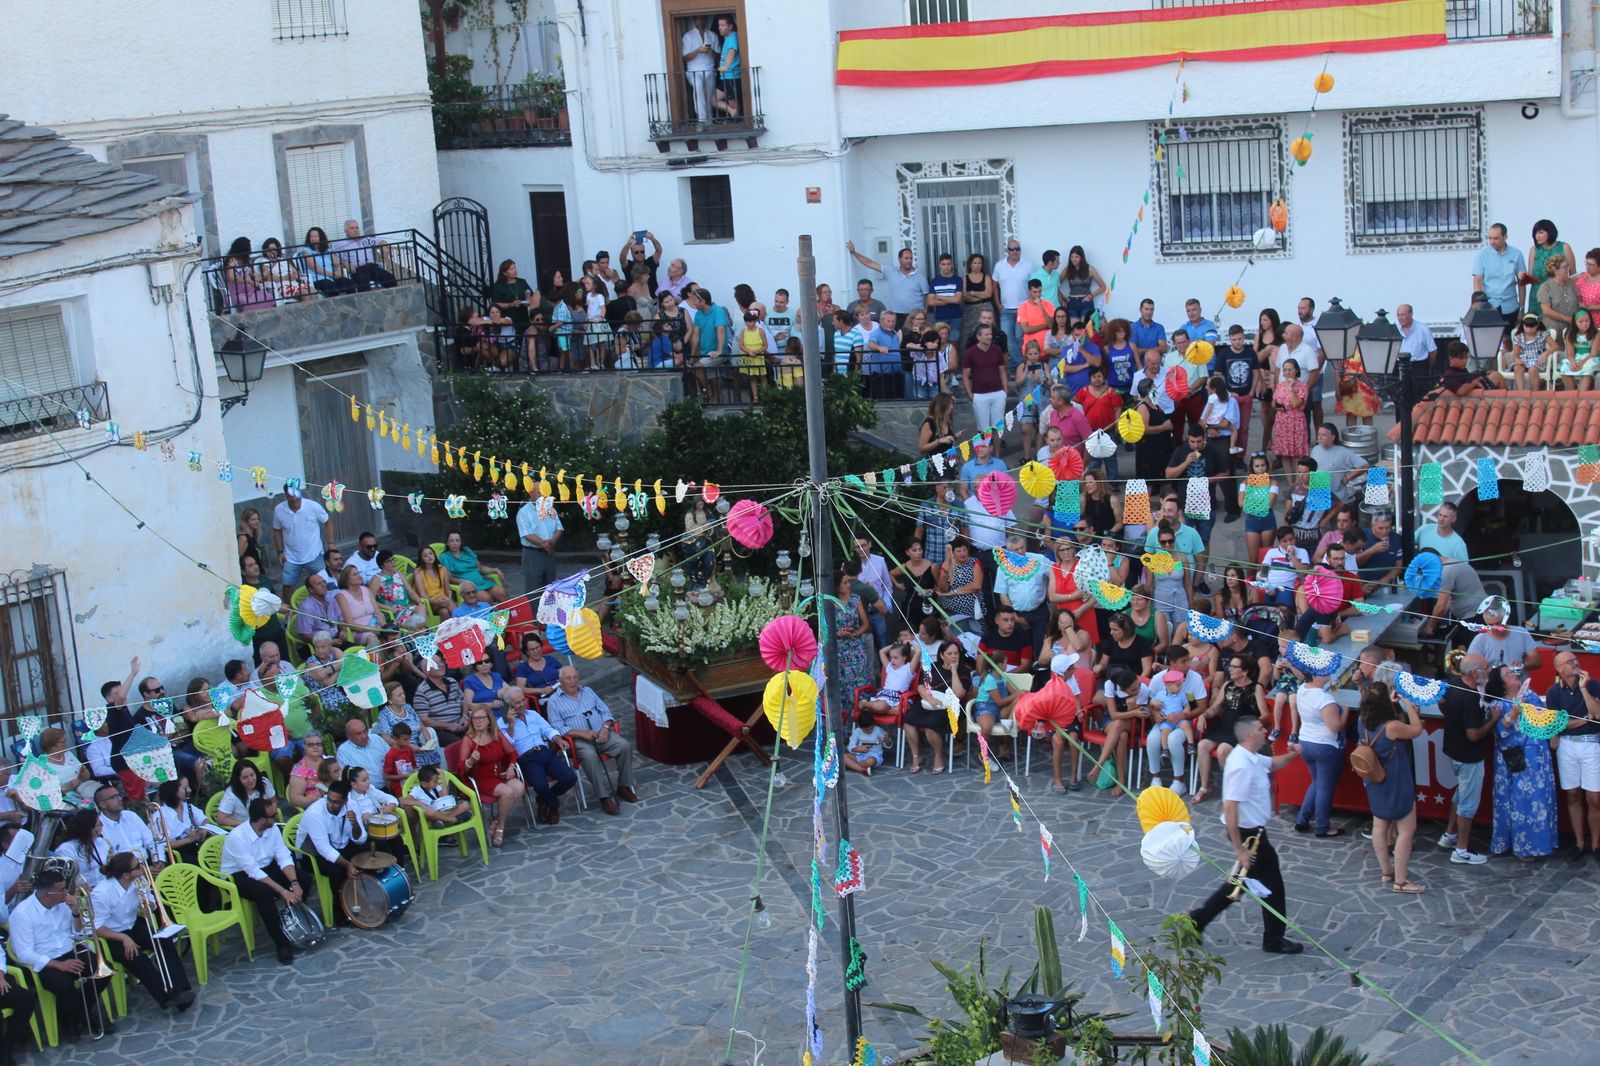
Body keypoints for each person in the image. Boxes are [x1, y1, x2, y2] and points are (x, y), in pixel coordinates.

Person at [1186, 718, 1302, 953]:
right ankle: (1273, 939)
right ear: (1250, 735)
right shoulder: (1241, 765)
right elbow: (1230, 807)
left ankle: (1199, 919)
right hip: (1248, 835)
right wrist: (1239, 849)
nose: (1264, 731)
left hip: (1254, 832)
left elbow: (1272, 764)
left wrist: (1292, 755)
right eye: (1260, 729)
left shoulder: (1251, 758)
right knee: (1271, 886)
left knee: (1240, 884)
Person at [12, 866, 112, 1039]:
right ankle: (90, 1020)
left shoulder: (63, 903)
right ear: (47, 895)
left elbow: (78, 930)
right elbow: (24, 953)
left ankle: (69, 1018)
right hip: (45, 959)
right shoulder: (22, 914)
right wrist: (60, 965)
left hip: (68, 949)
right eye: (61, 890)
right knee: (64, 984)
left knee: (103, 971)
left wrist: (76, 912)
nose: (66, 893)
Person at [92, 850, 196, 1010]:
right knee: (138, 958)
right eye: (137, 866)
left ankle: (181, 988)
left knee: (164, 941)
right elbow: (97, 926)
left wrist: (148, 906)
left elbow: (152, 902)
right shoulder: (102, 893)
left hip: (133, 924)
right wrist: (123, 938)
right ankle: (166, 997)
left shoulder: (138, 880)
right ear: (126, 874)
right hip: (112, 935)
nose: (142, 867)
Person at [1355, 683, 1426, 892]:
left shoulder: (1362, 721)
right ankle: (1401, 880)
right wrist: (1407, 703)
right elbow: (1417, 729)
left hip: (1376, 781)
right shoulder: (1392, 726)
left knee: (1379, 826)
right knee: (1406, 830)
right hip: (1396, 781)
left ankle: (1387, 872)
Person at [544, 666, 638, 817]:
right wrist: (581, 733)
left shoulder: (587, 691)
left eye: (575, 677)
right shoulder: (554, 702)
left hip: (601, 733)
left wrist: (605, 728)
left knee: (624, 746)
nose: (573, 681)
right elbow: (557, 727)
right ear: (560, 681)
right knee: (589, 755)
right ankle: (604, 797)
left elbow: (606, 711)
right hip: (578, 740)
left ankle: (624, 786)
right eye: (569, 678)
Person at [221, 797, 304, 965]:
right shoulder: (237, 837)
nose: (276, 818)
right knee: (263, 894)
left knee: (303, 878)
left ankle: (296, 919)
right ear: (261, 820)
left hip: (264, 866)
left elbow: (283, 855)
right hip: (238, 874)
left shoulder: (271, 829)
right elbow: (252, 871)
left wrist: (294, 883)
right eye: (273, 816)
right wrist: (283, 891)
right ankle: (281, 942)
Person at [1488, 667, 1557, 861]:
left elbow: (1543, 720)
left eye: (1514, 672)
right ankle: (1518, 845)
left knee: (1537, 801)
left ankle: (1538, 844)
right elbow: (1499, 731)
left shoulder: (1531, 695)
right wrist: (1514, 713)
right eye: (1509, 675)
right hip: (1512, 758)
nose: (1514, 675)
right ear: (1502, 683)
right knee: (1517, 802)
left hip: (1536, 757)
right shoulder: (1496, 703)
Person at [1434, 652, 1496, 864]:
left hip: (1453, 750)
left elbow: (1441, 703)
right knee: (1467, 804)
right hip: (1469, 756)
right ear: (1474, 673)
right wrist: (1493, 720)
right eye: (1486, 669)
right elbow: (1474, 735)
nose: (1489, 672)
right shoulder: (1469, 697)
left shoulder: (1453, 683)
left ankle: (1449, 836)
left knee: (1460, 795)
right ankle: (1461, 850)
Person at [1548, 651, 1600, 861]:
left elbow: (1597, 716)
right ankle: (1579, 843)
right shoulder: (1553, 692)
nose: (1576, 663)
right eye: (1570, 661)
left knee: (1594, 798)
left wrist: (1584, 690)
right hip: (1567, 746)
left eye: (1575, 660)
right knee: (1572, 795)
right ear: (1560, 669)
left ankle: (1596, 844)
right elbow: (1557, 724)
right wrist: (1583, 720)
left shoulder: (1592, 684)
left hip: (1590, 744)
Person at [1194, 655, 1267, 801]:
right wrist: (1203, 715)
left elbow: (1265, 714)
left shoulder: (1256, 687)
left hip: (1242, 731)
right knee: (1202, 745)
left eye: (1234, 667)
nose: (1230, 669)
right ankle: (1205, 786)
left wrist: (1252, 728)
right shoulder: (1228, 685)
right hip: (1225, 727)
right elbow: (1215, 708)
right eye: (1230, 666)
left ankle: (1233, 789)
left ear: (1245, 671)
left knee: (1223, 750)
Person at [499, 688, 578, 824]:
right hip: (527, 758)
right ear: (509, 706)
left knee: (570, 778)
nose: (522, 704)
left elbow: (547, 729)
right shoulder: (502, 723)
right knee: (540, 785)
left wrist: (558, 739)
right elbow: (506, 746)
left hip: (545, 752)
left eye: (523, 700)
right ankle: (553, 805)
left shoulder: (533, 714)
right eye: (517, 703)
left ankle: (544, 799)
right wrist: (511, 725)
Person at [457, 705, 525, 847]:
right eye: (475, 718)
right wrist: (471, 761)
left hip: (499, 774)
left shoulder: (496, 733)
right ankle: (500, 828)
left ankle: (496, 821)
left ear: (489, 720)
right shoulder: (468, 740)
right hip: (481, 778)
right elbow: (461, 768)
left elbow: (512, 752)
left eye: (481, 717)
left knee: (519, 787)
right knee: (507, 792)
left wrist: (511, 767)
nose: (478, 721)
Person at [1291, 671, 1347, 837]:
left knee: (1316, 783)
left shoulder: (1302, 689)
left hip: (1306, 742)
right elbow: (1336, 726)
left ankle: (1302, 819)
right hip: (1325, 745)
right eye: (1323, 673)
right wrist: (1345, 712)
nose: (1328, 675)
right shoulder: (1324, 699)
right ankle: (1322, 826)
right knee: (1325, 788)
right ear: (1314, 676)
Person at [295, 780, 365, 911]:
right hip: (311, 853)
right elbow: (324, 849)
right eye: (329, 799)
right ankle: (340, 910)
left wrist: (355, 823)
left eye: (336, 802)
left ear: (345, 801)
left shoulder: (352, 805)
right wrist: (348, 864)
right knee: (337, 871)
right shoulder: (315, 813)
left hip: (339, 844)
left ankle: (363, 896)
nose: (331, 804)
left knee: (366, 854)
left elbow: (360, 839)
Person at [908, 640, 967, 774]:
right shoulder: (933, 667)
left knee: (930, 726)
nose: (953, 656)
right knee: (908, 721)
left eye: (956, 653)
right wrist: (930, 699)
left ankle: (938, 756)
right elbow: (921, 686)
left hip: (950, 706)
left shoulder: (963, 671)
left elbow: (959, 693)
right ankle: (916, 756)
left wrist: (953, 671)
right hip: (930, 702)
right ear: (941, 655)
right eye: (949, 653)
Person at [1472, 222, 1526, 349]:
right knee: (1490, 343)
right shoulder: (1482, 255)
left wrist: (1522, 308)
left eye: (1496, 238)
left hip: (1510, 305)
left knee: (1510, 342)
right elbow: (1477, 280)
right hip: (1489, 305)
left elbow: (1521, 282)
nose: (1492, 241)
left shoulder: (1516, 254)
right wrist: (1480, 306)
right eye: (1489, 238)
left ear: (1505, 237)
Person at [1143, 669, 1197, 796]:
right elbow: (1150, 703)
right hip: (1165, 721)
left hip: (1180, 721)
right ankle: (1155, 776)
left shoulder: (1190, 684)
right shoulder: (1160, 684)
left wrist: (1183, 714)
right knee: (1152, 739)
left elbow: (1192, 706)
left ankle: (1179, 779)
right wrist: (1153, 705)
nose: (1179, 686)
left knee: (1173, 740)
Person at [271, 486, 332, 594]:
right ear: (285, 495)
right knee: (287, 586)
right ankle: (290, 609)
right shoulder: (279, 510)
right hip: (291, 557)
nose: (294, 498)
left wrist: (331, 542)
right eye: (291, 495)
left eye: (296, 494)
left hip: (314, 554)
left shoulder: (313, 506)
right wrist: (280, 551)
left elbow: (327, 521)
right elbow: (277, 530)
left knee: (324, 582)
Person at [1466, 598, 1541, 672]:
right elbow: (1471, 670)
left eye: (1498, 623)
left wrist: (1521, 665)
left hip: (1519, 682)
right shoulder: (1479, 640)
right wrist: (1494, 673)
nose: (1495, 627)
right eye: (1491, 625)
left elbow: (1537, 661)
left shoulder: (1521, 632)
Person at [153, 778, 215, 868]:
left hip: (194, 845)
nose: (189, 790)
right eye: (185, 788)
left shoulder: (187, 806)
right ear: (174, 791)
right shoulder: (159, 816)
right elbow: (163, 844)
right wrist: (188, 840)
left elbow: (204, 819)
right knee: (201, 865)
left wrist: (204, 829)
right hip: (176, 853)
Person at [962, 323, 1008, 432]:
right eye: (987, 335)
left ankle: (997, 450)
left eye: (990, 334)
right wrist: (970, 394)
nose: (990, 337)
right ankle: (983, 449)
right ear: (978, 336)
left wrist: (1005, 390)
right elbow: (965, 375)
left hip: (998, 393)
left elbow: (1002, 370)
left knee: (998, 428)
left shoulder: (997, 350)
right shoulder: (970, 353)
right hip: (979, 395)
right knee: (983, 430)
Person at [440, 531, 507, 604]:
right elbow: (450, 579)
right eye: (451, 541)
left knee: (502, 593)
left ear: (460, 542)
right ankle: (492, 615)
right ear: (447, 543)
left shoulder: (467, 551)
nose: (454, 543)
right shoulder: (445, 557)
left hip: (482, 584)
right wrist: (464, 582)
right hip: (466, 589)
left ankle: (511, 614)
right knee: (486, 598)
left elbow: (481, 568)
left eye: (457, 540)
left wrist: (494, 570)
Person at [332, 220, 398, 290]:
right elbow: (335, 256)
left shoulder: (366, 240)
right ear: (346, 231)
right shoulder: (341, 244)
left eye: (357, 228)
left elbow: (381, 241)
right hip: (357, 270)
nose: (355, 230)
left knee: (389, 278)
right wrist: (346, 263)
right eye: (352, 228)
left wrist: (384, 246)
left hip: (372, 267)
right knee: (363, 283)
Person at [215, 760, 275, 829]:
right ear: (238, 779)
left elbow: (273, 801)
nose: (250, 780)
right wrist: (248, 824)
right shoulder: (231, 794)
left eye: (252, 775)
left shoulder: (264, 783)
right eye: (245, 777)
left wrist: (270, 816)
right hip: (244, 828)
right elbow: (221, 819)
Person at [681, 15, 718, 124]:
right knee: (698, 87)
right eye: (698, 19)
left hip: (709, 69)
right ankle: (701, 120)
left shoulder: (712, 35)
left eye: (703, 19)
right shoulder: (688, 36)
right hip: (694, 70)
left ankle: (709, 122)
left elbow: (718, 56)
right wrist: (697, 51)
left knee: (709, 96)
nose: (700, 21)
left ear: (706, 20)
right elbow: (685, 58)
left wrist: (711, 51)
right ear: (694, 20)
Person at [286, 733, 333, 811]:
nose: (315, 747)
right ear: (304, 747)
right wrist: (317, 801)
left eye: (318, 744)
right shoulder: (299, 769)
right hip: (316, 807)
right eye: (311, 745)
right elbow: (295, 798)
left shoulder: (329, 762)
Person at [337, 718, 390, 784]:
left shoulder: (376, 739)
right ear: (349, 736)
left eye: (365, 731)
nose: (364, 736)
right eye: (358, 733)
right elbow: (346, 778)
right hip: (367, 791)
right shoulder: (343, 751)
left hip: (390, 784)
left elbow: (393, 758)